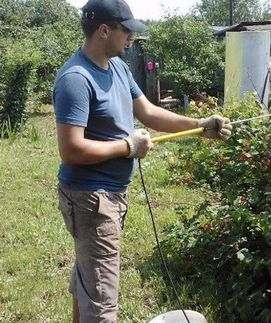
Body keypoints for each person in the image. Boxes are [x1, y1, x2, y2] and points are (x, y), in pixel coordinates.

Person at [52, 0, 232, 321]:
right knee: (102, 302)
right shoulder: (76, 79)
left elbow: (147, 112)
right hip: (91, 199)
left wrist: (199, 126)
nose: (131, 39)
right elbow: (71, 150)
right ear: (104, 30)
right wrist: (127, 146)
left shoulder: (118, 67)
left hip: (109, 196)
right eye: (126, 32)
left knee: (90, 279)